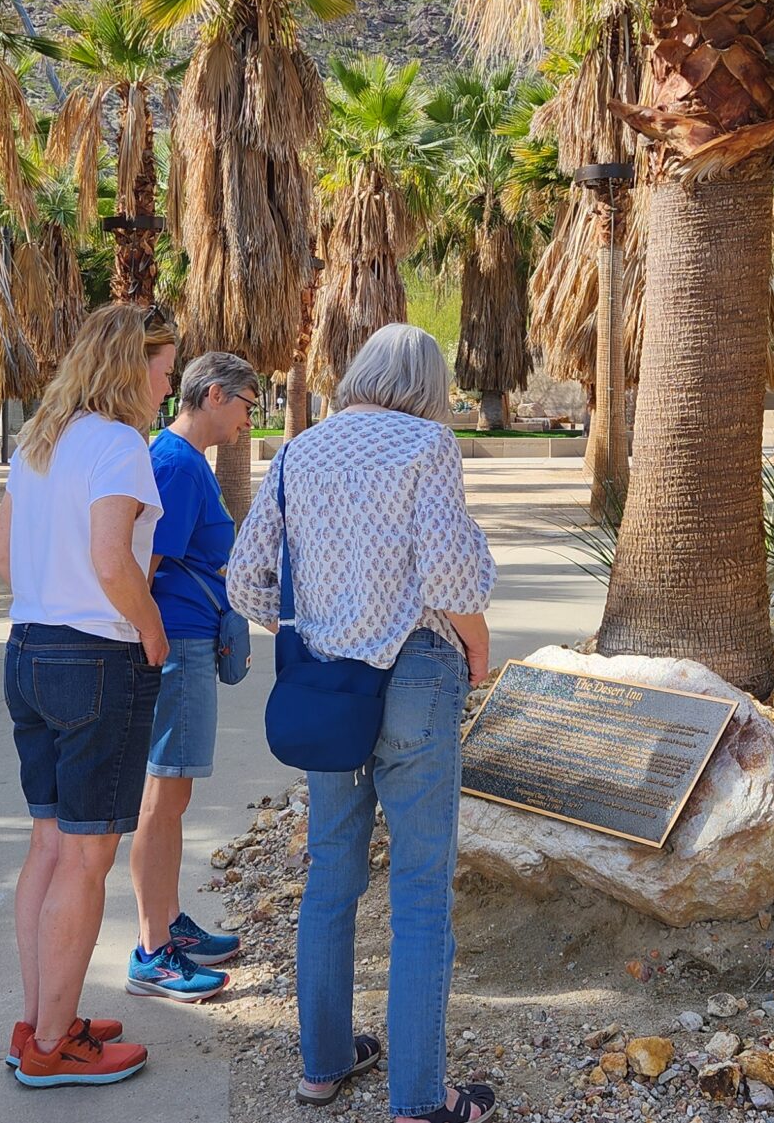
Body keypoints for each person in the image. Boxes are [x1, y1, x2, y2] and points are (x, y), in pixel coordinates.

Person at [226, 323, 499, 1123]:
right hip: (417, 670)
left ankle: (324, 1062)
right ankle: (419, 1097)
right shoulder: (427, 445)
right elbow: (450, 573)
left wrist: (314, 625)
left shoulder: (301, 448)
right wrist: (478, 648)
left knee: (332, 871)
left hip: (326, 682)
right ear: (429, 385)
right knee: (419, 887)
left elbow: (247, 581)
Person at [0, 302, 177, 1089]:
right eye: (165, 366)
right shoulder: (120, 444)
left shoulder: (41, 438)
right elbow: (112, 558)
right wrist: (152, 630)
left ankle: (42, 1019)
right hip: (97, 655)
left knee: (48, 845)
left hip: (27, 648)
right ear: (133, 364)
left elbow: (1, 554)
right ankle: (55, 1044)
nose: (170, 381)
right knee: (89, 856)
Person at [124, 349, 259, 1001]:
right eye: (245, 406)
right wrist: (145, 644)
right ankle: (152, 950)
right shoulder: (176, 463)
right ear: (212, 395)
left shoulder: (183, 461)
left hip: (186, 640)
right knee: (164, 794)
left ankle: (167, 922)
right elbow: (145, 564)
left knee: (173, 796)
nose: (247, 422)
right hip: (176, 644)